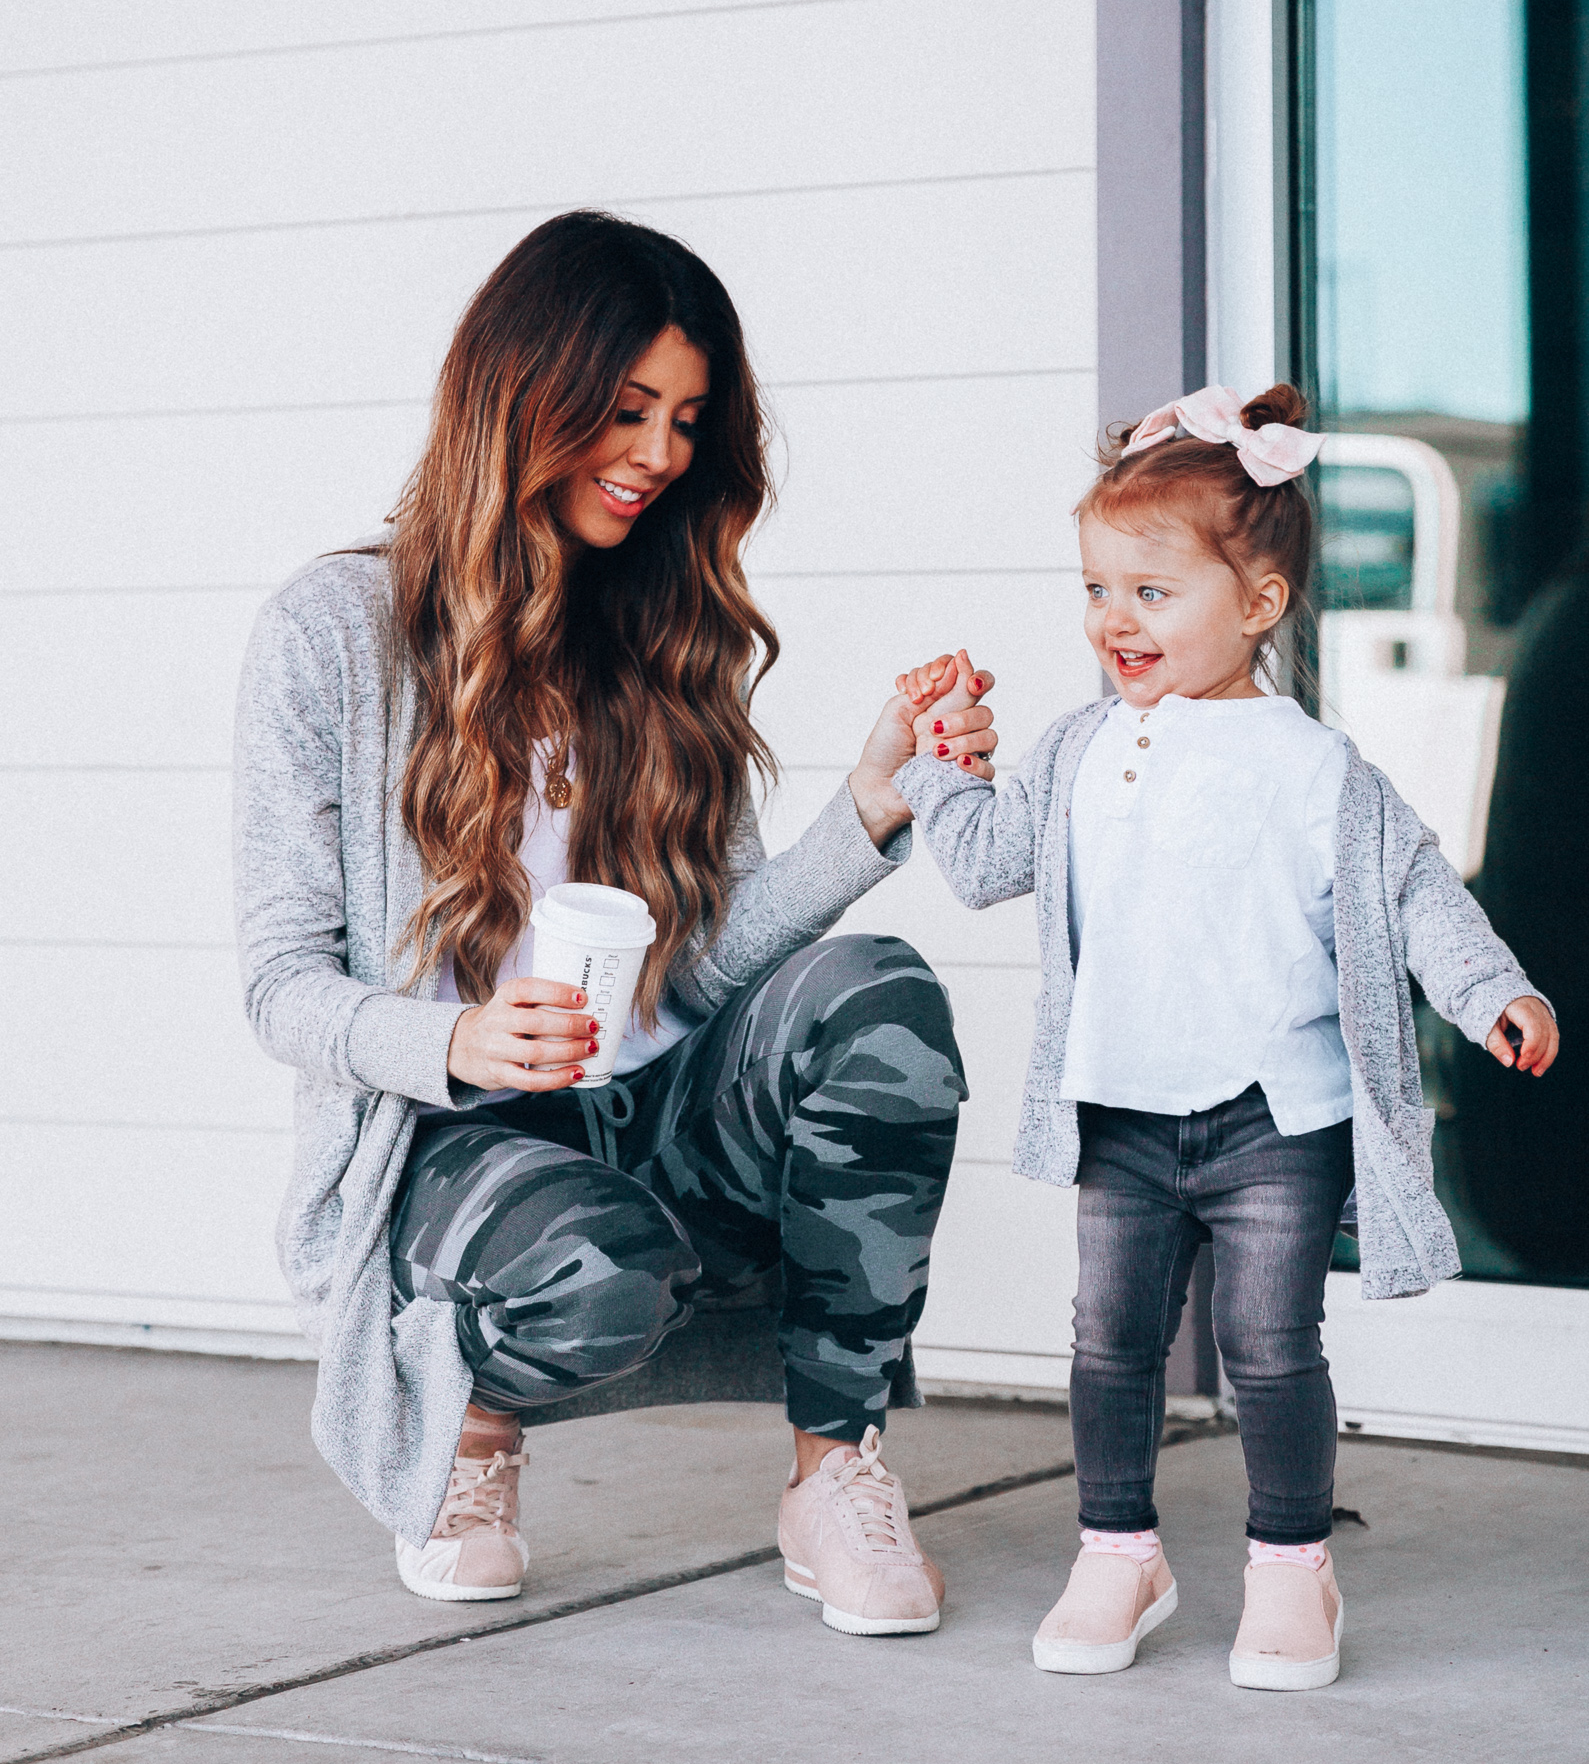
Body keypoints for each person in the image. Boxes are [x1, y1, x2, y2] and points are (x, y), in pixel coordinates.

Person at [233, 211, 984, 1635]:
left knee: (874, 990)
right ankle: (464, 1425)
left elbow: (704, 969)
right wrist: (455, 1035)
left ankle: (835, 1469)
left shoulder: (660, 633)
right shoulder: (331, 634)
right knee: (596, 1279)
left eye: (688, 420)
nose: (658, 454)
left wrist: (872, 807)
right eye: (626, 410)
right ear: (519, 393)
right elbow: (279, 988)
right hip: (450, 1141)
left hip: (658, 1113)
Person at [889, 385, 1557, 1689]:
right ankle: (1117, 1551)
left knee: (1268, 1346)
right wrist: (935, 766)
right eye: (1096, 590)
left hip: (1272, 1121)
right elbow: (977, 864)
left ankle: (1289, 1567)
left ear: (1254, 603)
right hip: (1120, 1115)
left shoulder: (1314, 769)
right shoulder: (1078, 750)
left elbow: (1418, 891)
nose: (1111, 621)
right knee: (1108, 1340)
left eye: (1149, 593)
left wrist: (1491, 995)